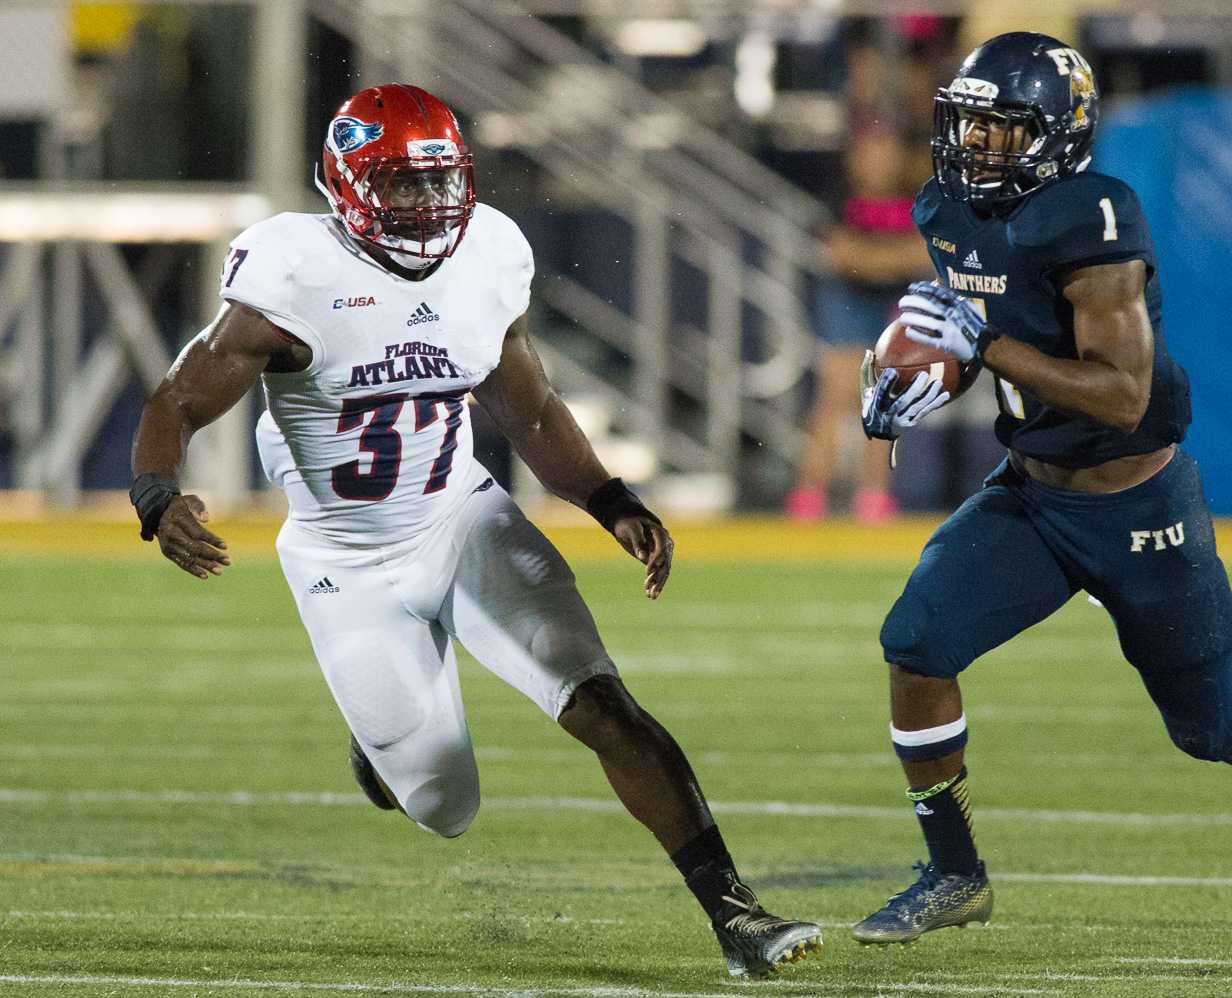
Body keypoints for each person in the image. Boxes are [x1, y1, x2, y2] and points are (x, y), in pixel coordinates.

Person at [128, 84, 822, 979]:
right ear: (345, 183)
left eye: (438, 182)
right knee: (442, 802)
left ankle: (738, 917)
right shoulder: (294, 274)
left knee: (602, 702)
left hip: (462, 515)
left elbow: (528, 410)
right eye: (400, 185)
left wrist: (613, 500)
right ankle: (384, 749)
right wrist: (157, 496)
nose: (425, 206)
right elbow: (178, 400)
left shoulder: (488, 250)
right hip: (345, 560)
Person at [852, 34, 1232, 943]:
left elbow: (1120, 392)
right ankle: (955, 874)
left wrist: (976, 347)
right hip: (1031, 491)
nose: (976, 147)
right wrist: (917, 385)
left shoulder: (1093, 217)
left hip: (1138, 502)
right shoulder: (944, 206)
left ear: (1057, 135)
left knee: (1210, 725)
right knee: (916, 645)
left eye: (1001, 130)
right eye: (970, 125)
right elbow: (987, 332)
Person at [785, 124, 932, 523]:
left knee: (886, 401)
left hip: (892, 304)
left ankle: (874, 496)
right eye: (871, 151)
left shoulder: (915, 199)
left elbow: (926, 254)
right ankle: (810, 494)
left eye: (887, 151)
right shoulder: (841, 199)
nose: (880, 160)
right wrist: (890, 258)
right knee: (835, 398)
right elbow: (843, 256)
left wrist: (874, 259)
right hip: (847, 302)